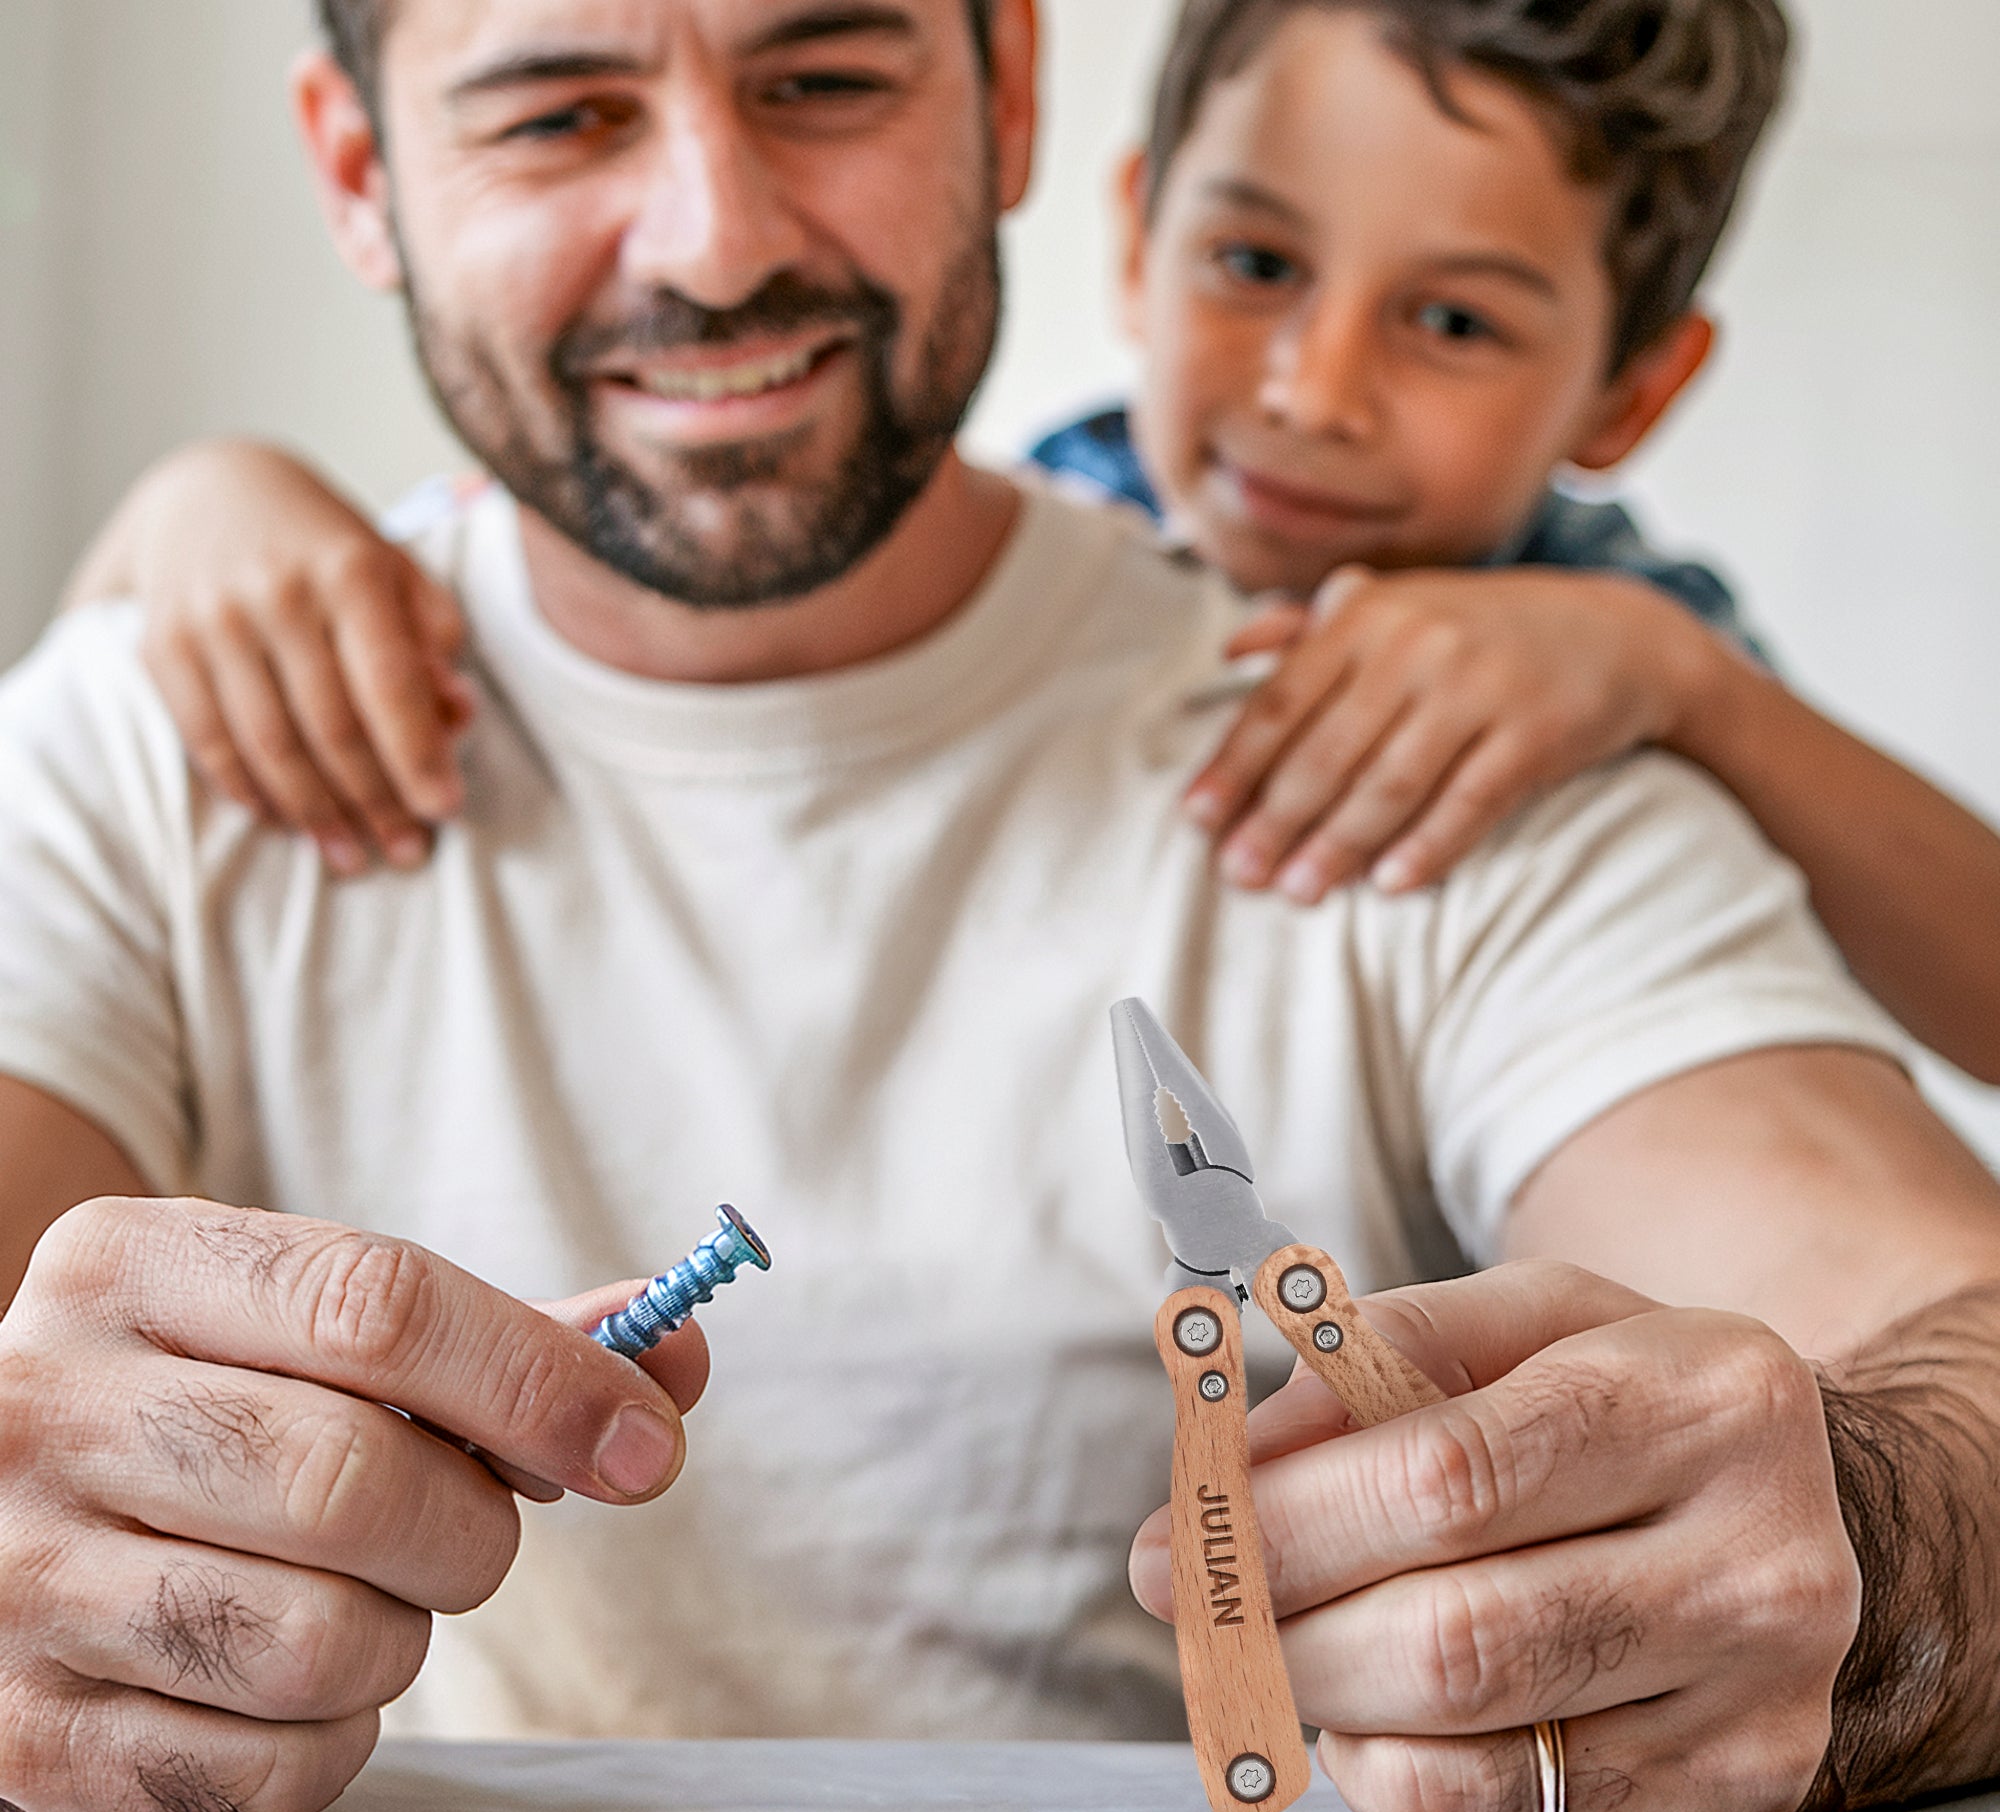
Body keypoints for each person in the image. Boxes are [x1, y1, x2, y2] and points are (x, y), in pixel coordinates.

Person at [3, 0, 1999, 1812]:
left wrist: (1866, 1564)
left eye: (824, 73)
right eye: (557, 111)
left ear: (1011, 89)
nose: (715, 241)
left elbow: (1953, 1338)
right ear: (360, 169)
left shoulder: (1434, 733)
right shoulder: (152, 727)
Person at [64, 0, 2000, 1083]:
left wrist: (1680, 686)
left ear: (1630, 390)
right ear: (1136, 234)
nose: (1311, 393)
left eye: (1454, 323)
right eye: (1253, 266)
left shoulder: (1613, 638)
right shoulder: (1028, 514)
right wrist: (182, 508)